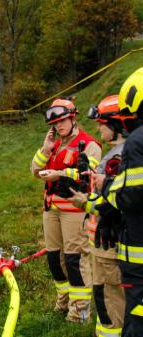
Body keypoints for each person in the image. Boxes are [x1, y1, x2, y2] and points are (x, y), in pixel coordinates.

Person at [31, 98, 101, 323]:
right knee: (54, 259)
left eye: (63, 121)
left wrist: (59, 174)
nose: (59, 126)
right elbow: (34, 169)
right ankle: (63, 302)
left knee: (74, 260)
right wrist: (45, 148)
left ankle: (80, 312)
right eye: (56, 123)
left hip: (75, 211)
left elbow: (87, 175)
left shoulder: (89, 144)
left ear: (73, 118)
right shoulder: (54, 144)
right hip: (50, 210)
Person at [69, 95, 134, 337]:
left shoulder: (119, 157)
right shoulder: (125, 153)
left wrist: (85, 202)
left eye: (101, 123)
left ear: (116, 125)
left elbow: (115, 204)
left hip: (108, 244)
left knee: (109, 300)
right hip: (105, 242)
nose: (98, 128)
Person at [97, 68, 143, 337]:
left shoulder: (137, 142)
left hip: (139, 257)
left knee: (136, 321)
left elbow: (131, 196)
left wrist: (106, 188)